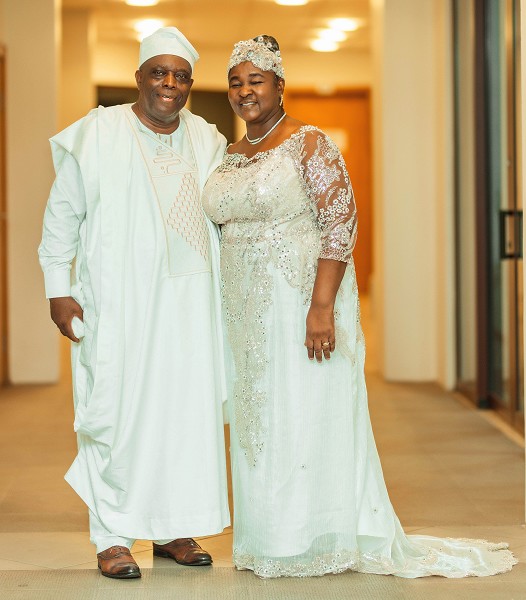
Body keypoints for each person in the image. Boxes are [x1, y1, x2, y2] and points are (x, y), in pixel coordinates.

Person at [201, 35, 517, 579]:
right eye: (235, 82)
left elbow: (340, 224)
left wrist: (321, 307)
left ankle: (313, 537)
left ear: (280, 86)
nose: (245, 91)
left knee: (303, 411)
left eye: (256, 80)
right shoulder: (227, 156)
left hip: (299, 301)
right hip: (246, 313)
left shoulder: (309, 144)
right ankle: (268, 537)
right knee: (259, 420)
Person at [38, 27, 230, 579]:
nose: (170, 84)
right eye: (159, 73)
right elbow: (62, 216)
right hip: (119, 304)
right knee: (115, 412)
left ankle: (173, 528)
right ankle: (113, 537)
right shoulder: (97, 133)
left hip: (190, 306)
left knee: (182, 414)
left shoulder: (207, 139)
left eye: (181, 76)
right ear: (139, 77)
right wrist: (57, 289)